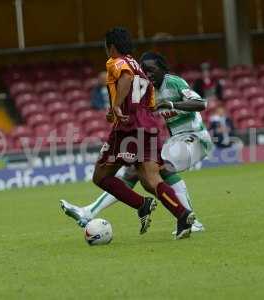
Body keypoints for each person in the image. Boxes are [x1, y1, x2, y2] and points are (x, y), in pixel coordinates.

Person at [61, 49, 213, 237]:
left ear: (162, 69)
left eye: (152, 70)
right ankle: (89, 211)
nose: (148, 74)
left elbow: (201, 104)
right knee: (134, 171)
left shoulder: (173, 82)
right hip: (176, 140)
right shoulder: (147, 90)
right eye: (145, 71)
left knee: (161, 167)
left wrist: (172, 104)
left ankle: (191, 220)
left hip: (196, 138)